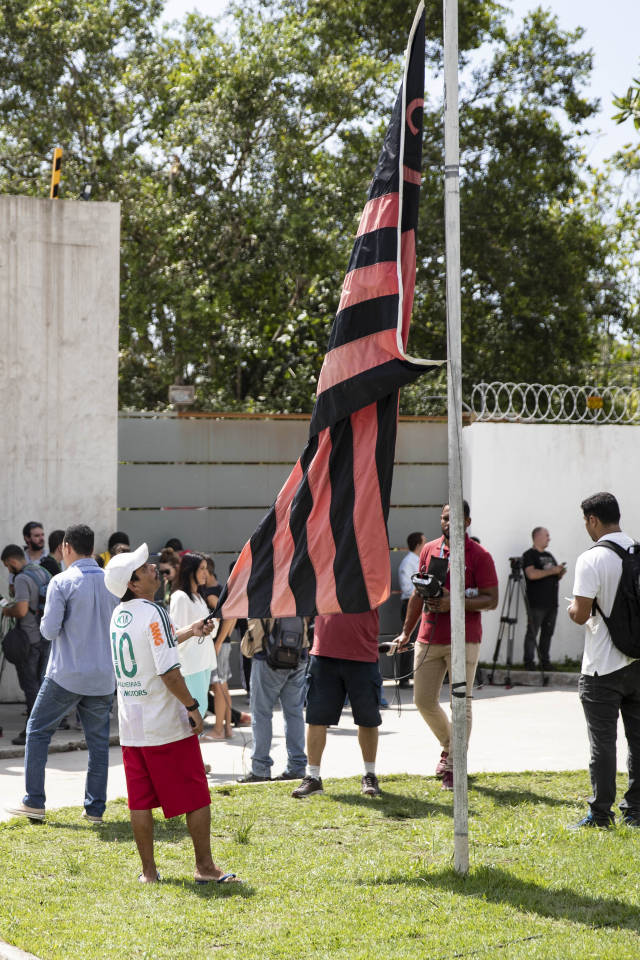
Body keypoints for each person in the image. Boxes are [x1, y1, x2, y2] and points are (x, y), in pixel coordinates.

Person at [103, 543, 239, 884]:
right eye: (145, 568)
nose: (154, 569)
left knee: (140, 801)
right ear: (133, 584)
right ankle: (205, 868)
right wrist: (192, 707)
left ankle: (149, 872)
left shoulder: (120, 616)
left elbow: (153, 644)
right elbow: (168, 673)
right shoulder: (154, 613)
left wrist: (189, 631)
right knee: (196, 794)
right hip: (164, 723)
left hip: (132, 725)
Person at [4, 524, 118, 822]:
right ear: (92, 548)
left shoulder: (62, 582)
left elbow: (49, 630)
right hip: (103, 676)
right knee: (98, 744)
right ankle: (95, 810)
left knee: (37, 731)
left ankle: (35, 802)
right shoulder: (111, 582)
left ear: (66, 547)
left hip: (66, 673)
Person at [396, 501, 498, 791]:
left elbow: (491, 599)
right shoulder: (429, 550)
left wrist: (454, 601)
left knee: (460, 704)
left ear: (466, 521)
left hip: (464, 639)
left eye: (453, 518)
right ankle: (449, 746)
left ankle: (455, 766)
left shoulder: (479, 555)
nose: (447, 523)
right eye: (443, 518)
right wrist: (406, 633)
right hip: (428, 637)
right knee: (423, 701)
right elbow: (418, 593)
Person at [568, 492, 640, 828]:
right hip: (637, 661)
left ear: (593, 519)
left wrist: (572, 607)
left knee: (603, 743)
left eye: (586, 521)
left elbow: (581, 615)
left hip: (601, 667)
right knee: (638, 740)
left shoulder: (591, 559)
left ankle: (600, 814)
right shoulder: (636, 551)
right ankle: (636, 810)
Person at [292, 609, 384, 799]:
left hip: (362, 653)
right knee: (316, 718)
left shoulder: (371, 578)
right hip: (324, 653)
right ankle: (313, 777)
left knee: (367, 718)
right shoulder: (322, 578)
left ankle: (370, 775)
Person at [236, 618, 309, 783]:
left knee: (261, 713)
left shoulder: (263, 591)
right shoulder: (299, 591)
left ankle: (260, 769)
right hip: (299, 651)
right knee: (294, 713)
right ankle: (297, 767)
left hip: (267, 656)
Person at [0, 545, 52, 744]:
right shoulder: (41, 571)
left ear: (12, 562)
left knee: (30, 687)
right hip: (43, 637)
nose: (8, 570)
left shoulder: (22, 578)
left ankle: (32, 732)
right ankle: (43, 728)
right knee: (40, 685)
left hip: (28, 640)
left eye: (7, 566)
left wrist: (7, 611)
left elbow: (21, 611)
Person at [169, 553, 218, 739]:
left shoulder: (198, 596)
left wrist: (210, 626)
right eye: (202, 569)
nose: (206, 573)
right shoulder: (180, 597)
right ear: (191, 571)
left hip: (203, 662)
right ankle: (190, 763)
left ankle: (193, 761)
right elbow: (177, 634)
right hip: (190, 665)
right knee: (192, 716)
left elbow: (206, 630)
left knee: (201, 710)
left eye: (207, 568)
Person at [522, 527, 566, 670]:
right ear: (537, 536)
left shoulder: (549, 555)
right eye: (546, 535)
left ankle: (544, 662)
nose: (549, 538)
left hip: (552, 603)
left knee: (547, 634)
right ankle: (529, 662)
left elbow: (552, 574)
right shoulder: (529, 555)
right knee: (532, 633)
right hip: (536, 603)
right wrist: (552, 570)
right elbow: (531, 574)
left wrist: (559, 572)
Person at [396, 532, 426, 686]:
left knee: (417, 640)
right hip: (410, 602)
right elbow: (407, 587)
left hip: (420, 602)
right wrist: (421, 590)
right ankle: (404, 677)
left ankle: (412, 675)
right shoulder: (409, 562)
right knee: (408, 639)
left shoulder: (419, 561)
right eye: (424, 542)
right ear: (418, 544)